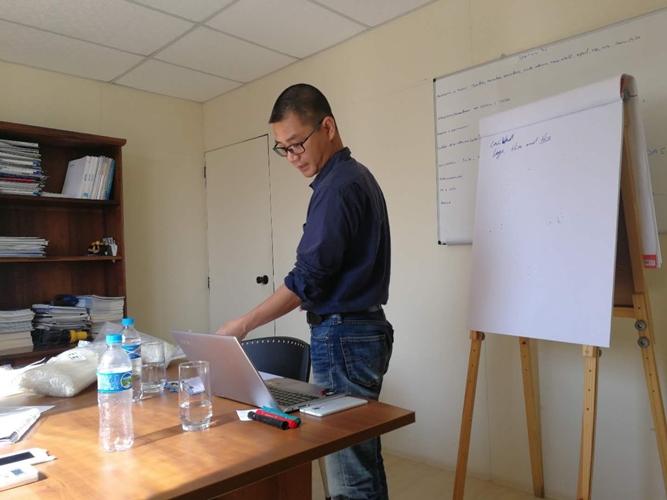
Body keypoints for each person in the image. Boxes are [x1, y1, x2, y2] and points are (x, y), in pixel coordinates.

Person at [216, 83, 393, 500]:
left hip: (344, 335)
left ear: (327, 127)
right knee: (359, 457)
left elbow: (307, 278)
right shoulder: (354, 177)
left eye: (297, 144)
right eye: (283, 149)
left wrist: (244, 323)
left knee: (348, 471)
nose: (292, 157)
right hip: (358, 331)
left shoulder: (337, 188)